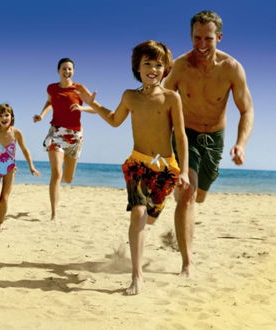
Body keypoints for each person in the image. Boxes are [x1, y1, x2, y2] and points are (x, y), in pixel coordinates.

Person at [74, 41, 190, 295]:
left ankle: (157, 238)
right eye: (147, 63)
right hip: (138, 163)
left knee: (149, 217)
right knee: (138, 213)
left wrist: (183, 171)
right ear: (137, 68)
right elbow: (115, 121)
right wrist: (93, 104)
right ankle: (137, 277)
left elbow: (180, 136)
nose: (153, 69)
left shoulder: (172, 98)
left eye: (158, 64)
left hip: (165, 168)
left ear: (166, 69)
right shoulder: (130, 96)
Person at [163, 10, 254, 277]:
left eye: (208, 39)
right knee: (188, 194)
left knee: (199, 196)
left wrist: (241, 144)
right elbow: (163, 101)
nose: (202, 45)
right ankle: (187, 263)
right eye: (196, 38)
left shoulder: (232, 68)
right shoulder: (179, 66)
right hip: (185, 134)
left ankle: (181, 216)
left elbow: (247, 110)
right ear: (191, 36)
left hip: (214, 138)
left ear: (219, 37)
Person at [33, 58, 95, 220]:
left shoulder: (79, 89)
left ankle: (60, 192)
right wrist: (41, 115)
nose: (67, 72)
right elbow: (49, 102)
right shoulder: (52, 88)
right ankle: (54, 214)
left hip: (75, 136)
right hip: (56, 133)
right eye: (64, 69)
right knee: (56, 173)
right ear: (58, 71)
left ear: (73, 71)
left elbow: (96, 109)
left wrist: (82, 107)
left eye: (70, 69)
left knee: (67, 178)